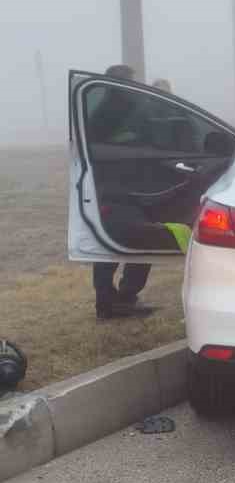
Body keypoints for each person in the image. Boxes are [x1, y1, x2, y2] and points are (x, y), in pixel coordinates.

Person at [92, 63, 157, 321]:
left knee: (118, 245)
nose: (133, 86)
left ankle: (113, 302)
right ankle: (116, 301)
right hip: (121, 187)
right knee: (134, 242)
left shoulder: (129, 109)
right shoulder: (110, 113)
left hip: (123, 186)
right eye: (129, 81)